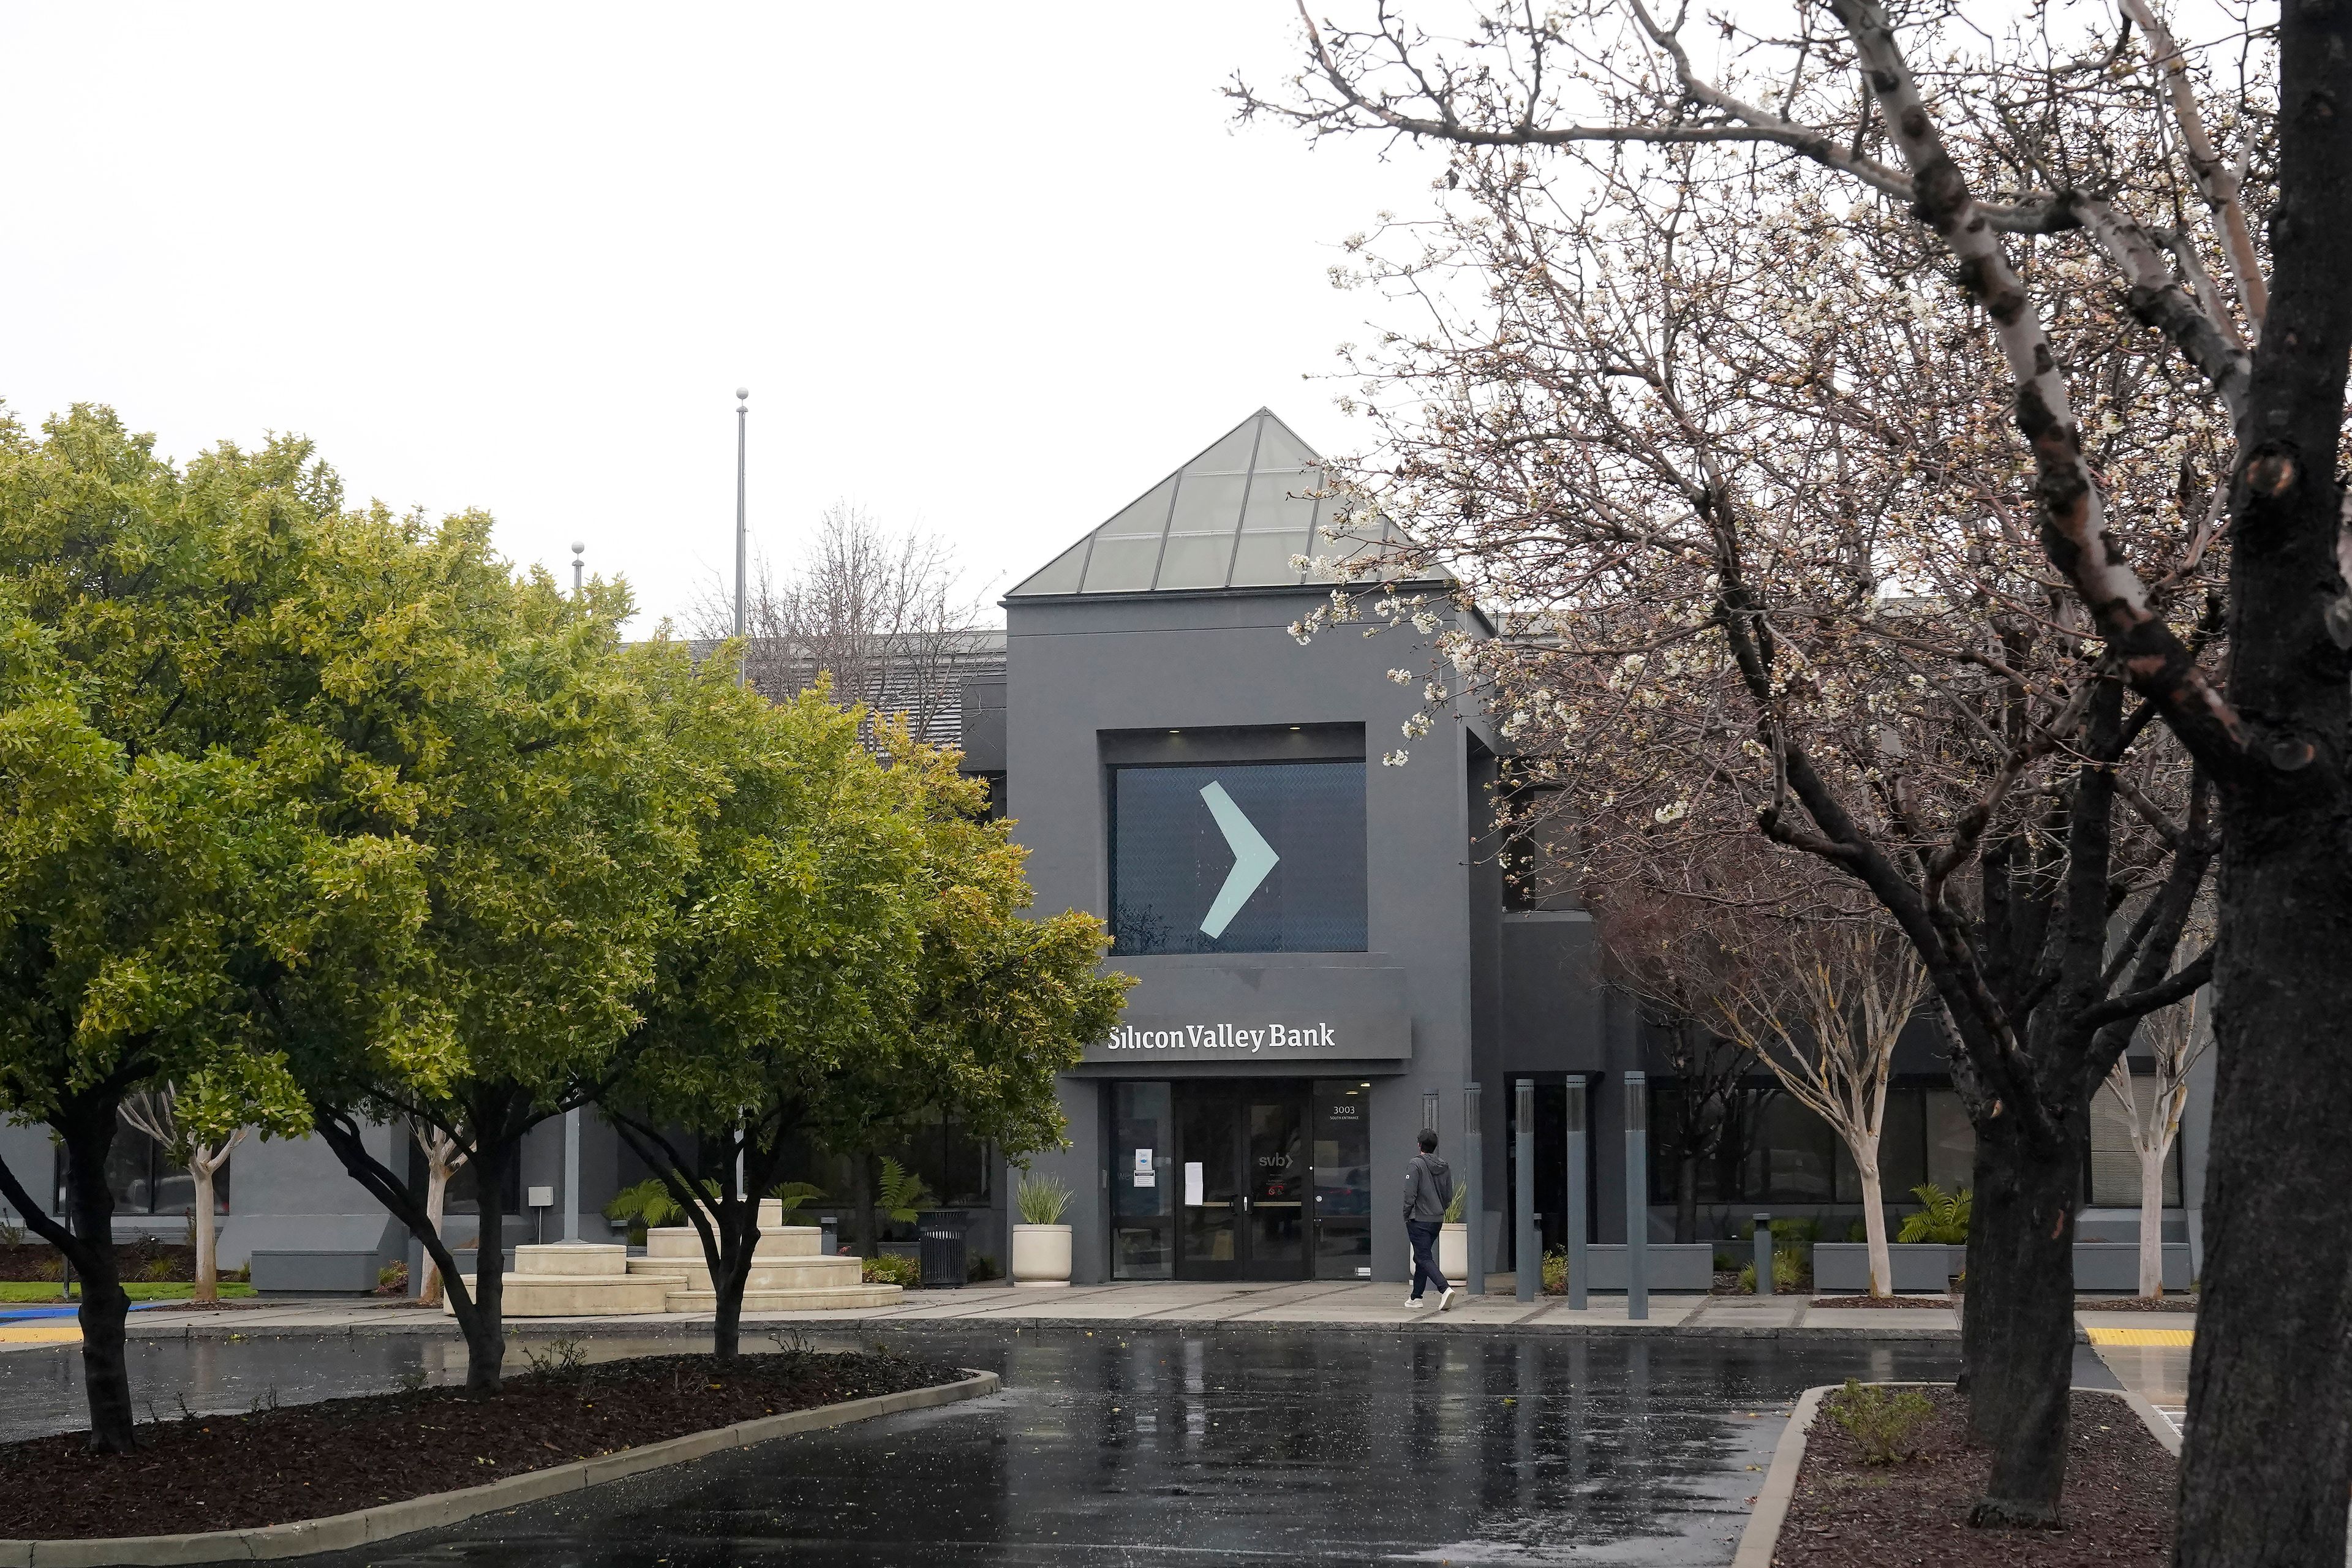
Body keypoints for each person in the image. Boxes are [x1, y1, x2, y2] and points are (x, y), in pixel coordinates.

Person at [1403, 1128, 1454, 1311]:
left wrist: (1406, 1214)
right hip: (1436, 1220)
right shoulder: (1444, 1166)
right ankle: (1416, 1297)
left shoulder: (1415, 1164)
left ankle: (1445, 1288)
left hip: (1419, 1219)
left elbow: (1410, 1194)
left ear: (1419, 1145)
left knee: (1424, 1257)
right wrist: (1440, 1210)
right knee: (1421, 1257)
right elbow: (1449, 1196)